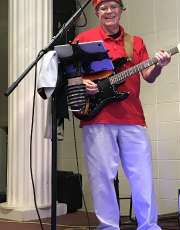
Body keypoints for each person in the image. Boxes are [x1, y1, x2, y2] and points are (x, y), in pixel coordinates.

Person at [72, 0, 171, 229]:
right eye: (103, 8)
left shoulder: (135, 42)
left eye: (113, 7)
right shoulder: (84, 39)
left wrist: (159, 65)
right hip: (97, 117)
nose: (109, 12)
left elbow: (148, 75)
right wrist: (83, 82)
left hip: (132, 117)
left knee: (142, 176)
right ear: (96, 12)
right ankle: (108, 227)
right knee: (102, 178)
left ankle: (149, 226)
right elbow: (68, 70)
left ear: (121, 10)